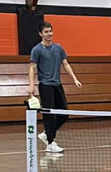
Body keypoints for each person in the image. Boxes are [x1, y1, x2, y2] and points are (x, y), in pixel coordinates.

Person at [28, 22, 82, 154]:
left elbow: (65, 64)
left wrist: (75, 79)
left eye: (50, 31)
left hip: (57, 85)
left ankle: (47, 134)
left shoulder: (58, 48)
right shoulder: (37, 50)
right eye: (46, 32)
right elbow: (32, 67)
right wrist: (31, 85)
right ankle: (51, 143)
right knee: (49, 116)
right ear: (41, 34)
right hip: (45, 86)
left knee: (64, 114)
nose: (49, 34)